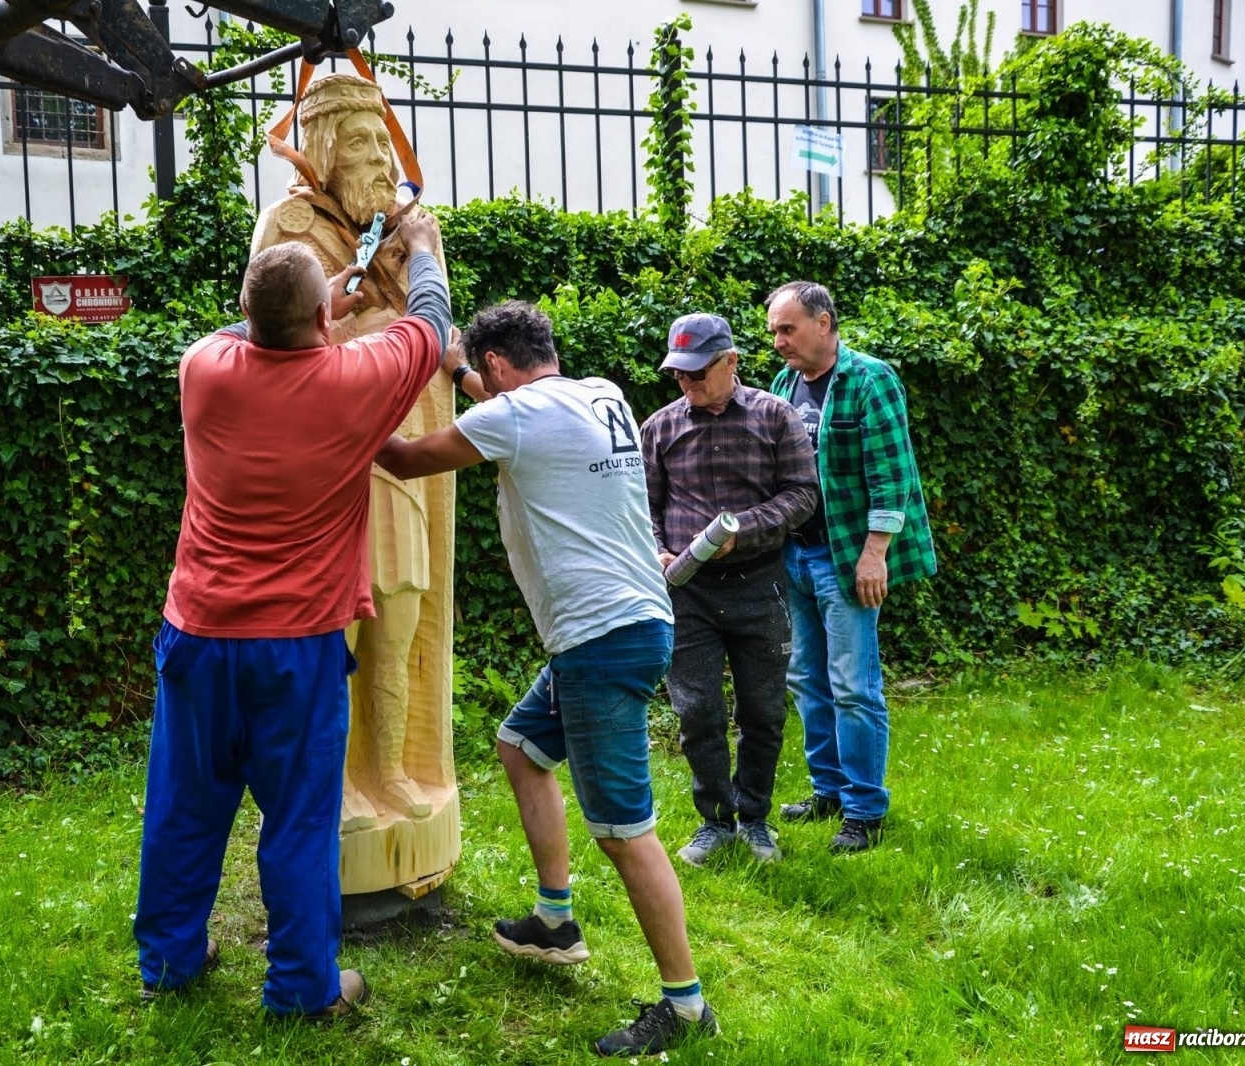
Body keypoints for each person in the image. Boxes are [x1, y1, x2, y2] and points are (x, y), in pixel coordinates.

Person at [376, 301, 718, 1058]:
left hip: (599, 640)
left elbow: (401, 459)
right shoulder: (601, 396)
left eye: (482, 373)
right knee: (521, 747)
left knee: (625, 834)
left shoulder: (515, 417)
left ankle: (687, 1006)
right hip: (633, 622)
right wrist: (460, 367)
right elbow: (510, 414)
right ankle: (556, 922)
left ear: (499, 367)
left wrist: (339, 397)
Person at [133, 211, 451, 1016]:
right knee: (302, 822)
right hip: (296, 650)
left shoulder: (202, 367)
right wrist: (422, 252)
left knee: (184, 807)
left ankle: (169, 961)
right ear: (321, 321)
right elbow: (429, 323)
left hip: (199, 635)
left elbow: (250, 325)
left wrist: (319, 305)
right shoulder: (351, 385)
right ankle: (305, 987)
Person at [253, 71, 454, 831]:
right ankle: (336, 783)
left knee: (399, 619)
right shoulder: (288, 226)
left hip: (397, 459)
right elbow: (274, 342)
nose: (379, 157)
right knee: (333, 634)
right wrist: (370, 327)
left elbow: (438, 339)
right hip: (327, 475)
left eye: (384, 140)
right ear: (327, 150)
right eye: (363, 142)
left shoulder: (406, 231)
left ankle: (393, 770)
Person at [640, 313, 818, 867]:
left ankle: (756, 820)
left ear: (731, 362)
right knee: (697, 712)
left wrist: (740, 532)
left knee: (763, 710)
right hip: (686, 590)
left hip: (758, 583)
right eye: (679, 375)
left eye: (697, 373)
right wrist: (658, 550)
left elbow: (802, 496)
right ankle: (714, 821)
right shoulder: (660, 427)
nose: (687, 385)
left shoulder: (775, 417)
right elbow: (639, 509)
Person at [764, 281, 936, 854]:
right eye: (774, 332)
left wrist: (874, 552)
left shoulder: (870, 379)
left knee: (853, 686)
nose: (779, 342)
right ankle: (829, 790)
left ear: (824, 322)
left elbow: (894, 475)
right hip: (796, 554)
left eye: (787, 329)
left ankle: (864, 809)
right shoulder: (785, 385)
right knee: (807, 678)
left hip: (845, 558)